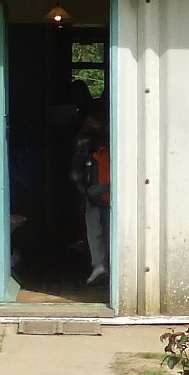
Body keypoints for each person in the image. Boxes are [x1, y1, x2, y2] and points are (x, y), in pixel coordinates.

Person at [71, 106, 111, 286]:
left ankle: (99, 265)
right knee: (111, 227)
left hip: (93, 190)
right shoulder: (114, 136)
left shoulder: (85, 140)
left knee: (94, 228)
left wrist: (81, 189)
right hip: (111, 188)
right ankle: (113, 264)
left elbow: (75, 169)